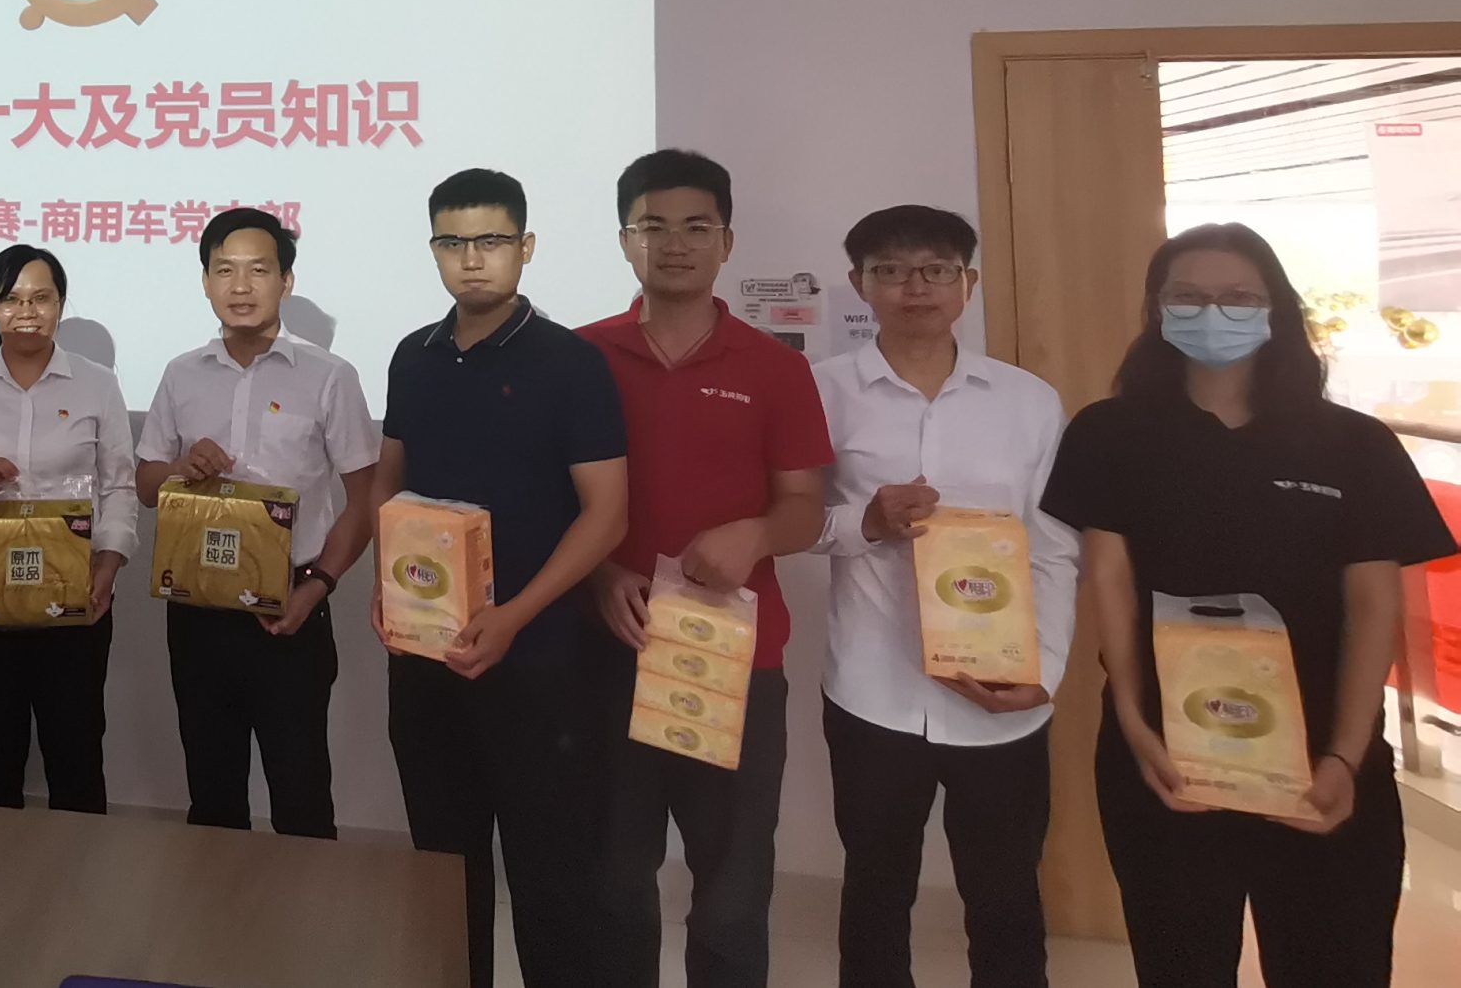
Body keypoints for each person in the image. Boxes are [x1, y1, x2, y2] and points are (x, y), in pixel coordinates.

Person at [1040, 222, 1456, 988]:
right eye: (1188, 296)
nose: (1213, 313)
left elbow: (1374, 604)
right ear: (1157, 309)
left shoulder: (1354, 443)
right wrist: (1134, 724)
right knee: (1180, 963)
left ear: (1277, 309)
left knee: (1334, 963)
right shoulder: (1109, 432)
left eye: (1237, 296)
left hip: (1324, 753)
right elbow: (1110, 578)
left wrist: (1344, 756)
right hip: (1165, 751)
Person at [577, 148, 832, 988]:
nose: (674, 243)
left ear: (727, 241)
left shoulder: (776, 367)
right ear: (625, 240)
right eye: (652, 226)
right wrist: (599, 575)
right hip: (610, 652)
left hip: (736, 662)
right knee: (613, 875)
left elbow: (804, 507)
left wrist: (754, 534)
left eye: (696, 226)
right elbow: (550, 506)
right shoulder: (579, 358)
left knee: (732, 887)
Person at [810, 206, 1079, 988]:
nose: (914, 286)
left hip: (1002, 693)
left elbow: (1055, 545)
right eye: (891, 270)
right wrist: (864, 520)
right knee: (875, 888)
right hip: (872, 688)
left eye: (935, 268)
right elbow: (795, 520)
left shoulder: (1029, 400)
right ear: (860, 283)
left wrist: (1044, 669)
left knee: (1005, 896)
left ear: (969, 282)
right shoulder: (821, 391)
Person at [372, 169, 629, 988]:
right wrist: (386, 583)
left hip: (537, 662)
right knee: (443, 872)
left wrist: (515, 614)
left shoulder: (571, 362)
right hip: (426, 659)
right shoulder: (411, 355)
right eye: (453, 241)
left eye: (490, 240)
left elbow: (607, 515)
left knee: (552, 876)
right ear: (433, 250)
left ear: (526, 246)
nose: (472, 258)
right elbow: (389, 483)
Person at [136, 207, 379, 839]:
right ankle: (216, 903)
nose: (240, 287)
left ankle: (304, 905)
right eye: (224, 271)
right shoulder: (180, 373)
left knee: (301, 794)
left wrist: (316, 588)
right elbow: (145, 486)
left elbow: (364, 500)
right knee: (212, 795)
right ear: (205, 281)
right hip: (197, 608)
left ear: (286, 281)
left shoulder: (330, 377)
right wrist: (181, 469)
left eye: (258, 270)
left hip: (290, 606)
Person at [0, 244, 138, 812]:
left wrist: (108, 563)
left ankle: (75, 868)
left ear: (61, 304)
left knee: (76, 755)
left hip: (75, 598)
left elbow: (119, 486)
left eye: (41, 298)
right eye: (11, 299)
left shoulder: (97, 384)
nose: (26, 311)